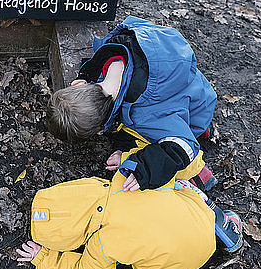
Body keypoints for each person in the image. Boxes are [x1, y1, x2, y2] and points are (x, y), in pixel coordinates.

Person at [46, 16, 218, 193]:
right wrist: (86, 73)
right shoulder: (118, 47)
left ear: (100, 130)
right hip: (195, 86)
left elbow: (185, 146)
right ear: (78, 84)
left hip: (195, 110)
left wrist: (145, 169)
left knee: (167, 147)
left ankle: (200, 174)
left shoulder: (144, 114)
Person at [15, 172, 242, 269]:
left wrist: (42, 257)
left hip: (178, 264)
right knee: (173, 185)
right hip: (201, 219)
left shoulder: (103, 244)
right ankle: (208, 209)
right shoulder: (129, 178)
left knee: (141, 268)